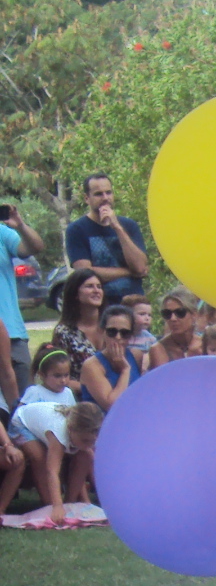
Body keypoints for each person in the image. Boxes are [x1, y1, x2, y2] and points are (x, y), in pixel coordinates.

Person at [8, 394, 103, 521]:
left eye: (92, 441)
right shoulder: (58, 434)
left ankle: (70, 502)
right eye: (85, 441)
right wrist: (57, 505)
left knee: (85, 456)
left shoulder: (89, 434)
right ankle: (49, 505)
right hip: (21, 423)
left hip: (45, 423)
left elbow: (92, 461)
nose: (89, 445)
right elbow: (52, 471)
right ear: (70, 429)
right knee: (39, 456)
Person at [64, 173, 147, 302]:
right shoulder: (76, 230)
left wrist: (117, 228)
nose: (105, 198)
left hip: (133, 302)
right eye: (98, 194)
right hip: (100, 304)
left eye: (108, 193)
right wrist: (129, 272)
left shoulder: (129, 225)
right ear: (87, 198)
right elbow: (85, 273)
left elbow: (140, 267)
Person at [1, 202, 46, 409]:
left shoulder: (2, 233)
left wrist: (19, 225)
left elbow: (35, 247)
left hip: (12, 333)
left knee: (24, 405)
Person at [79, 306, 143, 410]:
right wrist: (125, 370)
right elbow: (112, 406)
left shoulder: (136, 355)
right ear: (102, 332)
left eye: (124, 333)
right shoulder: (92, 365)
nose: (118, 337)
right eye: (112, 332)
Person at [51, 270, 105, 367]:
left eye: (99, 287)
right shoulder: (64, 333)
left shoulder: (111, 326)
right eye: (89, 286)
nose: (96, 290)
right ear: (75, 293)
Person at [144, 286, 203, 369]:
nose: (173, 318)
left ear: (194, 314)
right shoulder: (158, 349)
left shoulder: (205, 345)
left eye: (180, 312)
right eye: (167, 313)